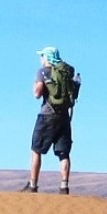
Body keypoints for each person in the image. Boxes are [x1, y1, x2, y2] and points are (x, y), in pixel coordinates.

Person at [24, 46, 80, 194]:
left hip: (47, 116)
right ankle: (64, 186)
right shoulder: (66, 73)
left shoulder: (43, 72)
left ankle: (33, 185)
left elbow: (37, 93)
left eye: (42, 56)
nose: (40, 59)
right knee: (63, 153)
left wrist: (36, 84)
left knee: (36, 150)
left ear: (47, 57)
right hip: (64, 117)